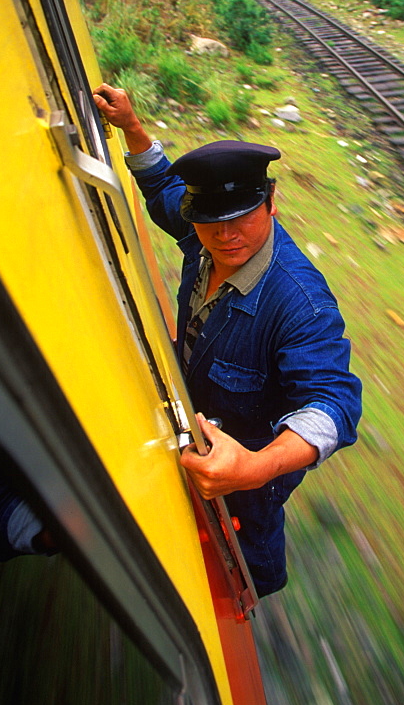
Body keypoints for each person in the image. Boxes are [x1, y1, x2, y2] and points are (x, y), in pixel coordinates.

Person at [93, 83, 362, 597]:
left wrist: (255, 467)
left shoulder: (300, 301)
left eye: (242, 217)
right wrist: (130, 126)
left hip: (249, 460)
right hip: (196, 417)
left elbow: (334, 402)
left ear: (272, 202)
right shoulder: (202, 230)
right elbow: (162, 187)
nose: (226, 236)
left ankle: (253, 597)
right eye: (212, 222)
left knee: (247, 539)